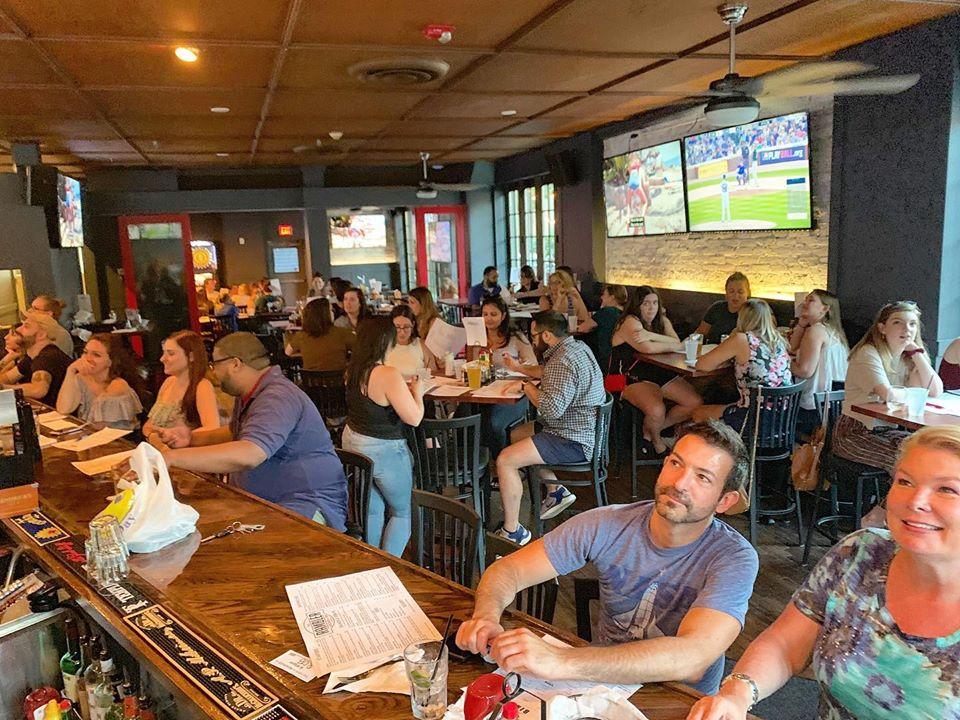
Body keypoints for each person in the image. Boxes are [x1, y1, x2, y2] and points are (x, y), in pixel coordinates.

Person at [458, 421, 759, 695]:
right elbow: (508, 570)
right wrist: (485, 615)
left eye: (703, 477)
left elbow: (692, 658)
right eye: (676, 463)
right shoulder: (606, 523)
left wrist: (562, 660)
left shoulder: (734, 558)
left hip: (679, 699)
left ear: (725, 501)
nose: (680, 483)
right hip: (600, 685)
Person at [686, 425, 960, 720]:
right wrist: (737, 693)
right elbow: (785, 644)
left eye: (947, 489)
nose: (915, 501)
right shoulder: (861, 554)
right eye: (905, 481)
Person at [154, 333, 347, 530]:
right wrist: (191, 439)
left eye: (215, 364)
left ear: (235, 364)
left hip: (305, 504)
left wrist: (172, 458)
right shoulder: (250, 392)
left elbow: (251, 453)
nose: (213, 372)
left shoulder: (277, 396)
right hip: (267, 501)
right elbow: (237, 433)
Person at [494, 311, 605, 545]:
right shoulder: (575, 348)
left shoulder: (562, 361)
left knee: (505, 460)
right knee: (516, 435)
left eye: (534, 336)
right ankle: (556, 491)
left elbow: (551, 408)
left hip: (572, 440)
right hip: (584, 431)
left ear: (546, 335)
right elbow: (544, 372)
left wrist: (526, 387)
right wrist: (518, 367)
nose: (532, 341)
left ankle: (513, 531)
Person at [341, 317, 426, 556]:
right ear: (384, 342)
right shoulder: (387, 374)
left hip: (354, 443)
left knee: (373, 510)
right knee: (402, 512)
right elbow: (414, 418)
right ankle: (390, 565)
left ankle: (372, 561)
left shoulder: (353, 370)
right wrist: (418, 393)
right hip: (384, 450)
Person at [832, 301, 943, 474]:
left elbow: (935, 391)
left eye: (912, 324)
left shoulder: (908, 358)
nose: (907, 329)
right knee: (908, 461)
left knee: (931, 452)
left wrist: (917, 354)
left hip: (886, 431)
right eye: (898, 322)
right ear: (882, 328)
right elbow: (887, 394)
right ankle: (888, 502)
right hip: (854, 433)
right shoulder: (868, 352)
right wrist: (915, 394)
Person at [614, 287, 702, 456]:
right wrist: (663, 341)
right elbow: (647, 348)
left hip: (658, 373)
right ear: (637, 305)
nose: (651, 308)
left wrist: (650, 334)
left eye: (654, 303)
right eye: (645, 303)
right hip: (628, 376)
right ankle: (658, 442)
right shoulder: (630, 321)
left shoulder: (662, 321)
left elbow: (677, 342)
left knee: (694, 402)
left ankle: (650, 432)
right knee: (656, 410)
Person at [694, 299, 792, 431]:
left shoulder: (742, 339)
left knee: (698, 413)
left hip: (754, 418)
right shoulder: (779, 340)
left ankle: (724, 449)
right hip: (783, 418)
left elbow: (702, 365)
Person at [467, 297, 537, 457]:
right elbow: (471, 364)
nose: (488, 318)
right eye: (485, 314)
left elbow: (533, 365)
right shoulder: (477, 337)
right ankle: (475, 465)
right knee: (464, 417)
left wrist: (516, 366)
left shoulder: (516, 338)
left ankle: (501, 462)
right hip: (483, 392)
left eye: (493, 314)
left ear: (503, 316)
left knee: (494, 423)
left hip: (512, 394)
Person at [789, 289, 849, 436]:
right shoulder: (835, 331)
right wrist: (802, 325)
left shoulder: (816, 331)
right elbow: (792, 347)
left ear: (825, 308)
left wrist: (782, 363)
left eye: (811, 300)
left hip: (814, 405)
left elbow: (805, 371)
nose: (805, 303)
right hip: (834, 404)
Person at [56, 333, 144, 430]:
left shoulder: (118, 386)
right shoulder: (81, 378)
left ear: (111, 361)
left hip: (117, 441)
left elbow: (101, 428)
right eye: (85, 352)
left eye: (96, 355)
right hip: (91, 437)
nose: (87, 359)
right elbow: (63, 409)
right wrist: (71, 371)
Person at [143, 331, 220, 440]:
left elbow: (212, 428)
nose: (162, 359)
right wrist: (153, 437)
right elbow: (148, 425)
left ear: (191, 356)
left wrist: (177, 437)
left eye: (171, 353)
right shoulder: (168, 383)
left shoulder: (202, 386)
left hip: (183, 453)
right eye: (163, 353)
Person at [1, 312, 72, 406]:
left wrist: (3, 388)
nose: (18, 329)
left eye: (26, 327)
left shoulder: (48, 357)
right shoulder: (30, 357)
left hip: (62, 417)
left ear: (41, 335)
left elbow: (38, 390)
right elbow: (8, 378)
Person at [285, 297, 354, 373]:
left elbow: (287, 352)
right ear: (324, 314)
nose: (333, 313)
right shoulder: (342, 333)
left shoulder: (301, 336)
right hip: (339, 382)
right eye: (331, 310)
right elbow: (361, 349)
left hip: (310, 383)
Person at [578, 284, 627, 374]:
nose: (601, 297)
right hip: (620, 357)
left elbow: (582, 328)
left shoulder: (607, 311)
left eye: (604, 295)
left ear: (612, 297)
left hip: (604, 356)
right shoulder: (625, 313)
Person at [695, 272, 751, 344]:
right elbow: (700, 333)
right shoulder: (717, 308)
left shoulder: (753, 313)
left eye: (740, 292)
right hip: (711, 351)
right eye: (731, 291)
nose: (736, 295)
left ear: (748, 293)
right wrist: (687, 345)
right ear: (726, 294)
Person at [385, 305, 437, 376]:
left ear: (413, 325)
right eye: (397, 327)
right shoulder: (384, 345)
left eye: (406, 327)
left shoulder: (422, 345)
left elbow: (433, 373)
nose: (402, 332)